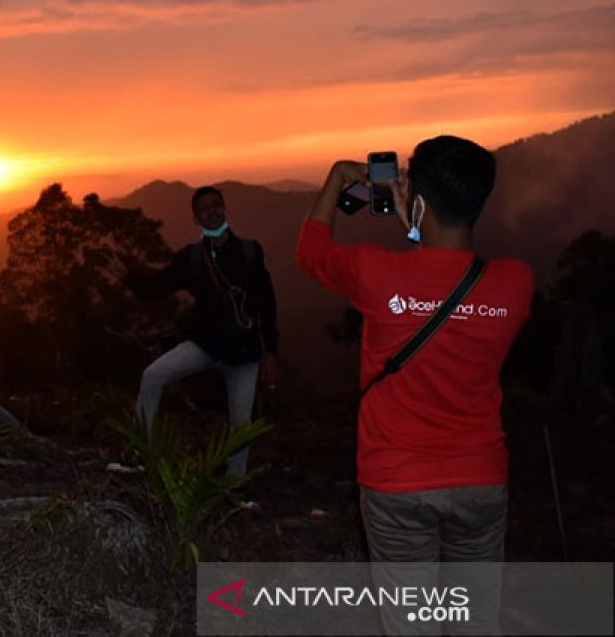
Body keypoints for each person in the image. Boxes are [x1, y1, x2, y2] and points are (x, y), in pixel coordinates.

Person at [296, 136, 533, 635]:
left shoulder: (376, 273)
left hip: (397, 482)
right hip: (480, 481)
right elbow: (447, 280)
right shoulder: (516, 284)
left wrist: (338, 180)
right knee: (473, 621)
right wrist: (422, 226)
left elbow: (310, 251)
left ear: (417, 200)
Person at [125, 185, 279, 477]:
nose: (212, 211)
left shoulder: (250, 252)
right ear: (196, 218)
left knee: (241, 424)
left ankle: (235, 483)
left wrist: (271, 352)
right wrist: (126, 273)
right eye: (204, 209)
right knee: (153, 375)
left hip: (244, 353)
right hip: (204, 346)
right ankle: (138, 454)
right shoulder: (191, 259)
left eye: (216, 205)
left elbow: (267, 303)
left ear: (224, 208)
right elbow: (156, 288)